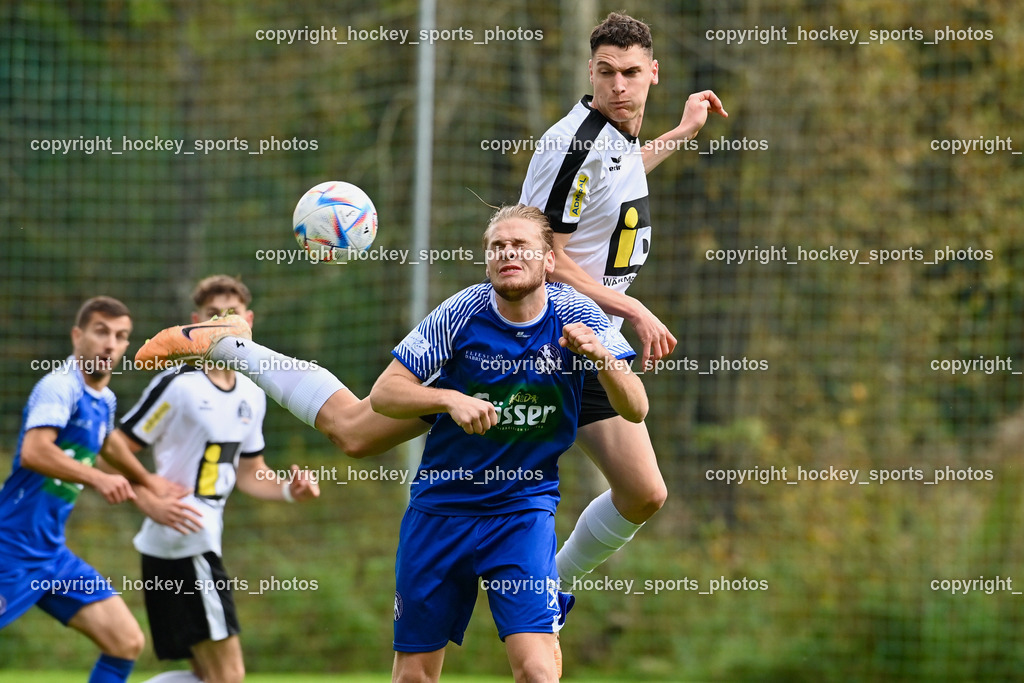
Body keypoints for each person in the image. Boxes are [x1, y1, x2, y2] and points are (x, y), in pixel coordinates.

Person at [368, 205, 647, 682]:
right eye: (498, 246)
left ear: (548, 261)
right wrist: (449, 398)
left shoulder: (578, 314)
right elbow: (384, 394)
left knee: (537, 672)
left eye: (521, 246)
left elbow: (636, 407)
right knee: (413, 676)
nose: (508, 254)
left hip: (522, 513)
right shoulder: (460, 313)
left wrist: (602, 356)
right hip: (440, 510)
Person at [518, 11, 728, 583]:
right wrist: (631, 306)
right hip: (556, 330)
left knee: (641, 493)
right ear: (590, 70)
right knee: (495, 482)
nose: (618, 85)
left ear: (653, 74)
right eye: (606, 71)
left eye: (630, 72)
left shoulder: (613, 141)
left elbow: (619, 175)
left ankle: (550, 588)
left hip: (588, 329)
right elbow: (544, 257)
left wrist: (681, 135)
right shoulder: (574, 146)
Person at [117, 275, 320, 683]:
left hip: (191, 541)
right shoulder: (179, 385)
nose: (221, 327)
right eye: (212, 317)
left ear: (248, 321)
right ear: (195, 324)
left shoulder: (252, 392)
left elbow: (249, 473)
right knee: (229, 676)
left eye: (230, 316)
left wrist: (288, 489)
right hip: (184, 541)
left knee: (209, 675)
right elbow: (115, 446)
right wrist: (147, 496)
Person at [0, 296, 168, 683]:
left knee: (125, 641)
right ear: (78, 336)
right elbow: (34, 451)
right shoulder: (59, 386)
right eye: (101, 331)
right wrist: (98, 478)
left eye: (121, 336)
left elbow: (107, 443)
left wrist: (147, 481)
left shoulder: (104, 399)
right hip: (10, 547)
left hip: (51, 555)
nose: (110, 344)